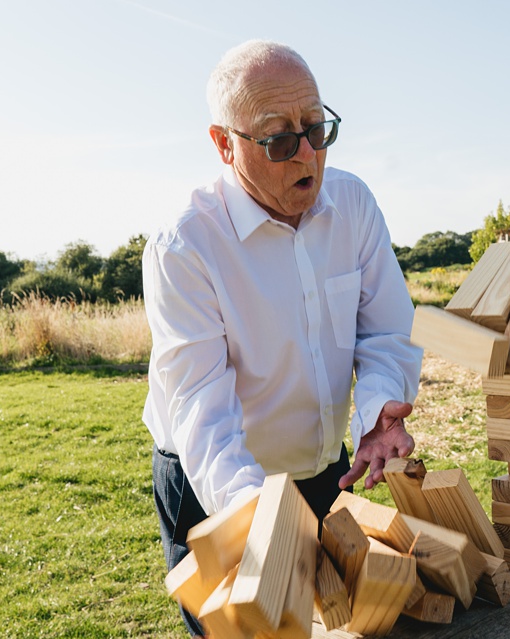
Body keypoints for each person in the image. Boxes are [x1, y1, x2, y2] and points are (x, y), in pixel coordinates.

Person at [142, 40, 422, 635]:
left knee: (343, 624)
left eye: (316, 129)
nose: (307, 156)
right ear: (224, 144)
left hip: (324, 466)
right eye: (279, 139)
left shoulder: (354, 204)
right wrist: (256, 519)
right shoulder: (184, 245)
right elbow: (199, 405)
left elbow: (385, 330)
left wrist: (375, 413)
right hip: (214, 478)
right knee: (254, 630)